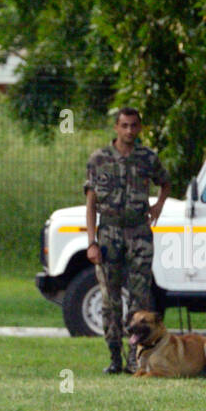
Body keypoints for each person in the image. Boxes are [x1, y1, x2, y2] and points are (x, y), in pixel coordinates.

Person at [84, 107, 170, 373]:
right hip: (109, 233)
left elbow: (165, 182)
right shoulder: (99, 159)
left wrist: (158, 206)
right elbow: (90, 203)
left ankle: (136, 357)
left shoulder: (147, 158)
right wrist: (91, 242)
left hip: (139, 233)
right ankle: (114, 356)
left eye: (134, 126)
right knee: (110, 299)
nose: (129, 131)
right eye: (124, 125)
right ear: (116, 128)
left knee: (140, 299)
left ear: (140, 128)